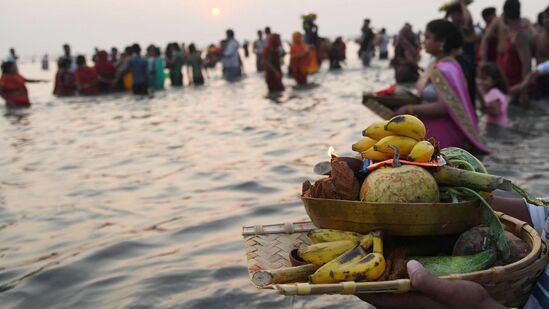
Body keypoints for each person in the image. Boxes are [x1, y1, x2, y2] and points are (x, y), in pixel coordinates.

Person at [395, 19, 490, 154]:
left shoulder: (444, 69)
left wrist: (408, 108)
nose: (424, 41)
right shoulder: (444, 64)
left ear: (442, 42)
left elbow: (444, 106)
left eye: (428, 37)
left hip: (442, 136)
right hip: (433, 132)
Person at [482, 0, 532, 107]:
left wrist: (524, 93)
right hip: (509, 87)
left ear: (504, 15)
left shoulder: (520, 36)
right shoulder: (510, 33)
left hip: (518, 90)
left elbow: (527, 65)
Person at [444, 0, 477, 109]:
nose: (453, 17)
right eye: (452, 14)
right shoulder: (452, 30)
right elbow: (440, 28)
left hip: (469, 67)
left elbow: (468, 20)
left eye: (456, 14)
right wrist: (447, 12)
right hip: (458, 68)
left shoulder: (466, 30)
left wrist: (462, 4)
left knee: (469, 98)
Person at [478, 63, 509, 128]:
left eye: (484, 79)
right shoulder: (496, 92)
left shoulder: (494, 92)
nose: (481, 82)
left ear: (494, 80)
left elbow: (496, 112)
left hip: (497, 128)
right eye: (480, 78)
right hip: (499, 126)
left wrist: (482, 108)